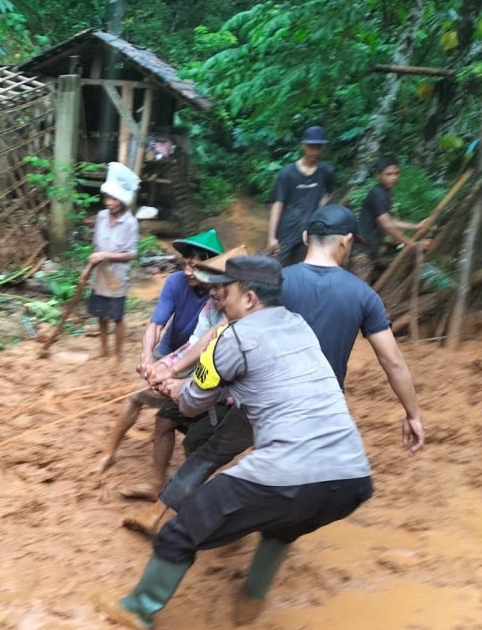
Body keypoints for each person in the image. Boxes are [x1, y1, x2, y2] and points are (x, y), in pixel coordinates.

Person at [98, 255, 378, 630]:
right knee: (284, 526)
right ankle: (251, 600)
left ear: (248, 298)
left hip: (287, 470)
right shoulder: (299, 325)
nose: (217, 297)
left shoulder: (233, 337)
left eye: (224, 292)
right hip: (352, 477)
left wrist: (174, 388)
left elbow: (191, 404)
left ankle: (138, 609)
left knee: (181, 531)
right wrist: (184, 384)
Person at [126, 206, 425, 538]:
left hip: (262, 396)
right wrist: (412, 414)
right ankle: (256, 551)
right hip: (321, 410)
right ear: (347, 241)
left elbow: (220, 332)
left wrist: (171, 367)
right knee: (293, 483)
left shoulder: (276, 282)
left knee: (211, 454)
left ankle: (159, 513)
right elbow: (392, 360)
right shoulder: (364, 295)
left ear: (305, 237)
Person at [97, 230, 224, 497]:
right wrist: (147, 357)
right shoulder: (175, 283)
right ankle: (109, 451)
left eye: (195, 266)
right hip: (172, 352)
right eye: (186, 263)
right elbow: (156, 324)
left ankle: (166, 480)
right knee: (136, 395)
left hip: (202, 360)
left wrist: (172, 372)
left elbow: (207, 344)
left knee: (169, 418)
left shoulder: (221, 295)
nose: (188, 271)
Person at [88, 162, 140, 360]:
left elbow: (131, 254)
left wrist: (106, 256)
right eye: (107, 198)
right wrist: (89, 266)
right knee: (100, 314)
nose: (109, 203)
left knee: (117, 317)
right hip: (100, 275)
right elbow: (97, 247)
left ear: (122, 201)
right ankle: (104, 349)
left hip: (117, 277)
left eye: (114, 199)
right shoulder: (101, 217)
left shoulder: (130, 223)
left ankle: (118, 355)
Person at [265, 125, 335, 265]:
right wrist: (272, 237)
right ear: (303, 145)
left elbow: (330, 191)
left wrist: (319, 207)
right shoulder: (287, 173)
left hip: (310, 233)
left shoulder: (326, 171)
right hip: (286, 232)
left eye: (318, 147)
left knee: (302, 269)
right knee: (275, 267)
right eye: (311, 146)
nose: (314, 151)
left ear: (323, 148)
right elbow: (278, 204)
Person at [350, 157, 426, 283]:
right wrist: (411, 243)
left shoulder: (386, 193)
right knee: (357, 289)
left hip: (372, 249)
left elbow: (390, 220)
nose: (393, 178)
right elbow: (387, 225)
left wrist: (416, 226)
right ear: (378, 176)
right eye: (388, 174)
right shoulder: (377, 193)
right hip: (362, 250)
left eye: (396, 173)